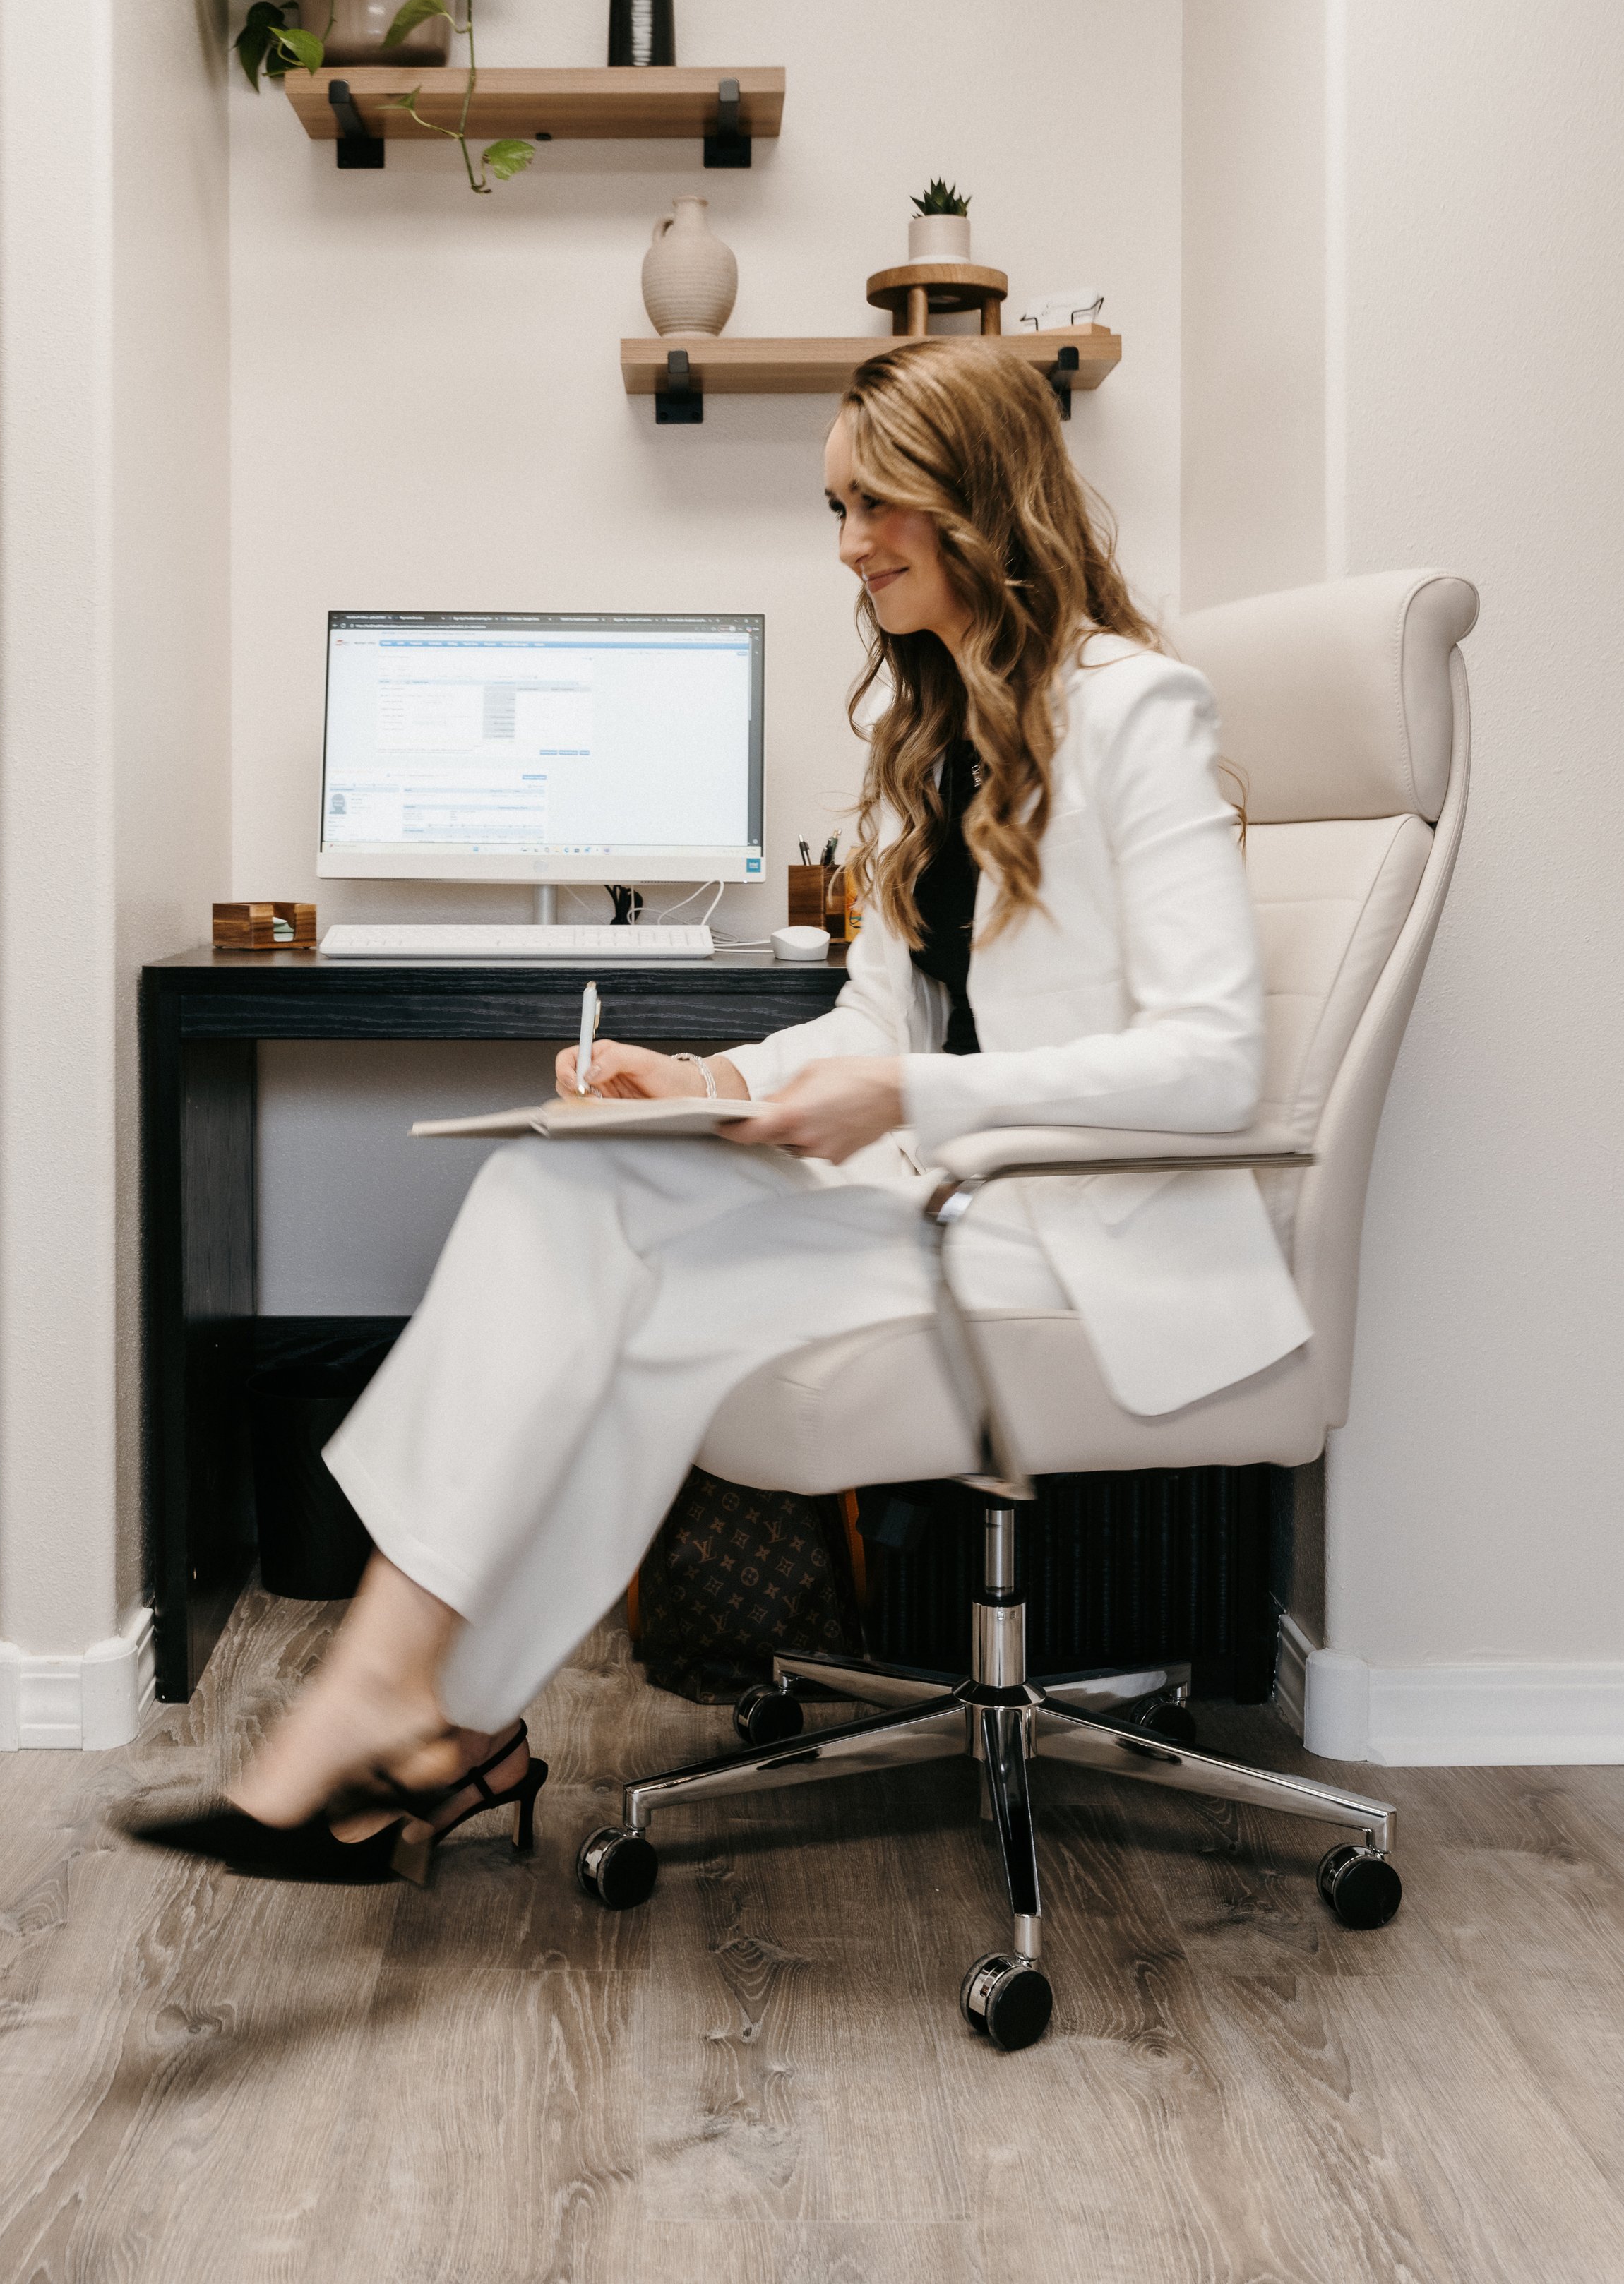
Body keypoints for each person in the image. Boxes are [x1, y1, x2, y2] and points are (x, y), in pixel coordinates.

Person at [131, 340, 1308, 1886]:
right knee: (570, 1193)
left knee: (640, 1285)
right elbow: (875, 1018)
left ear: (982, 501)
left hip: (1087, 1247)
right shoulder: (931, 735)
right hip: (942, 1214)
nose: (846, 546)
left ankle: (408, 1724)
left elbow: (1209, 1064)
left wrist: (899, 1093)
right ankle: (403, 1713)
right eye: (835, 508)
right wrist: (695, 1083)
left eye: (878, 505)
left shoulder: (1135, 711)